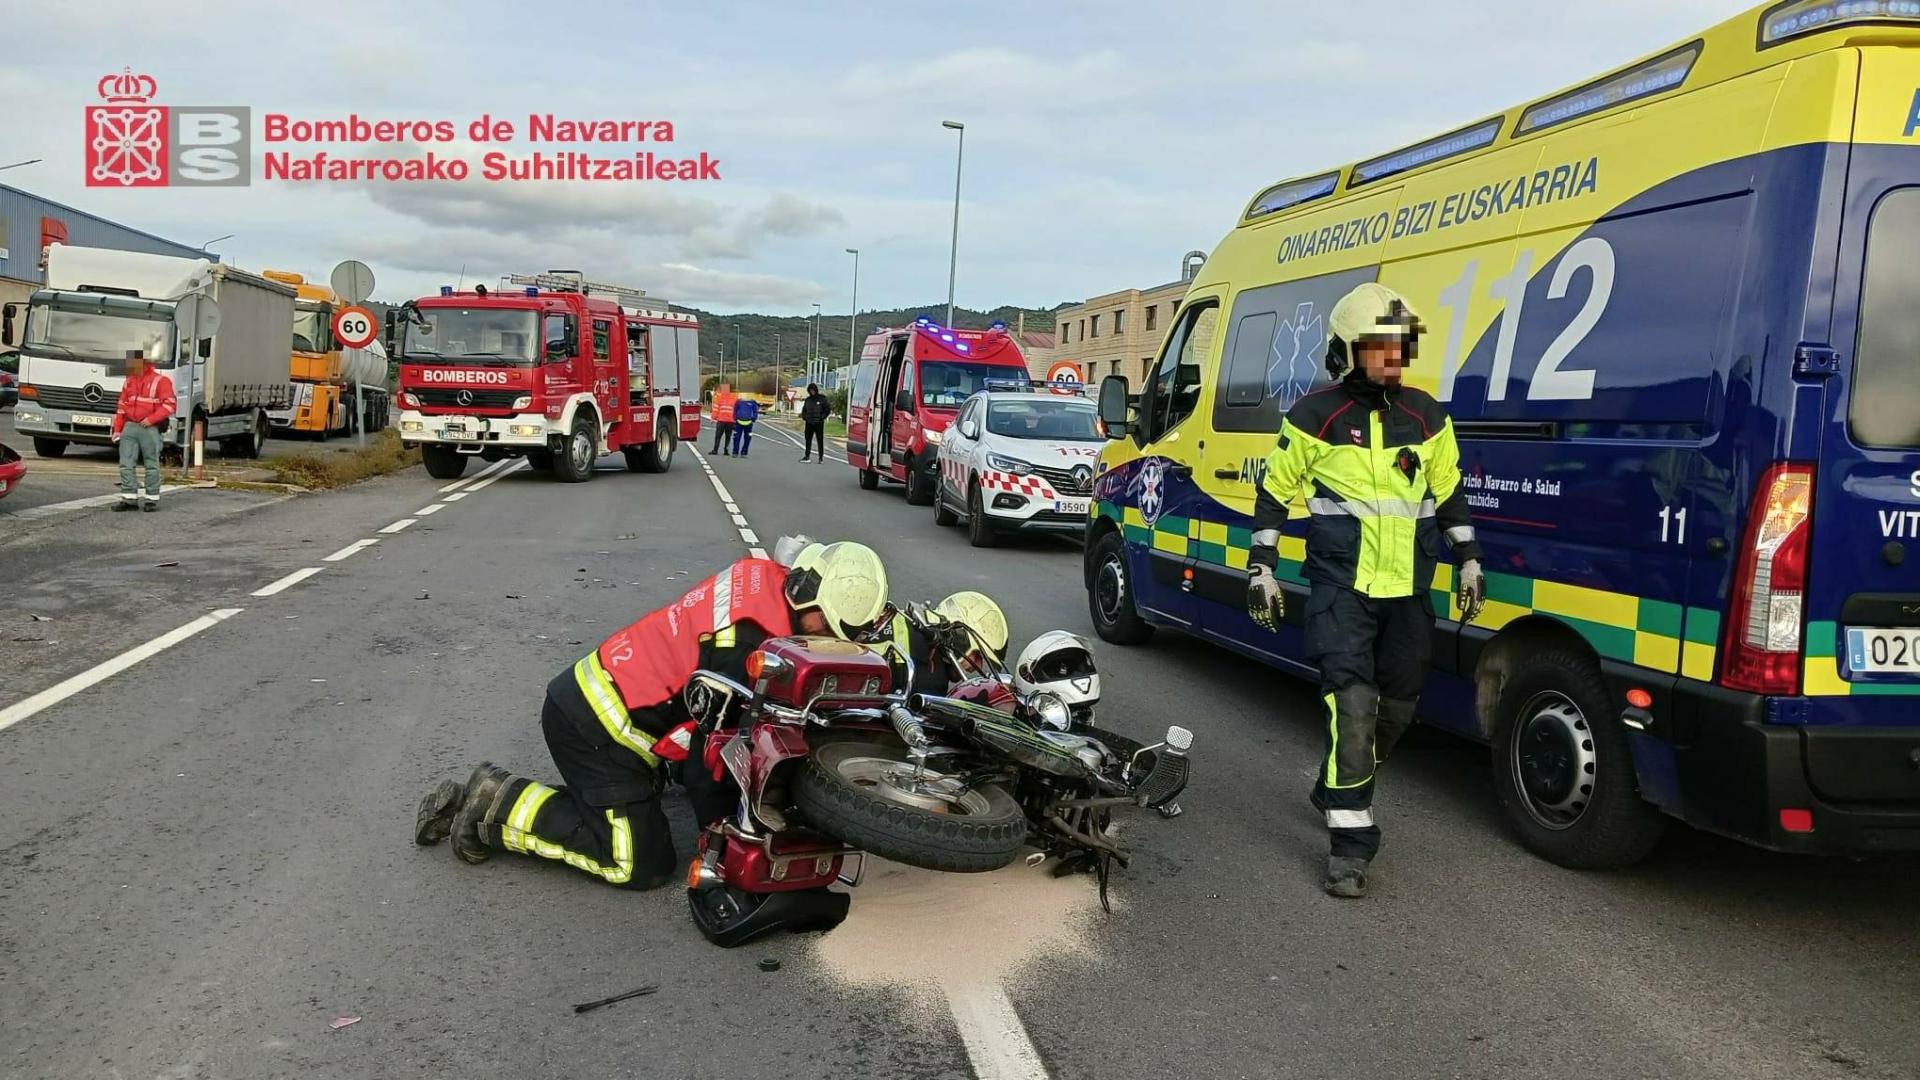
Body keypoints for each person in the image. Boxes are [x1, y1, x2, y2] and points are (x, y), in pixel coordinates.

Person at [415, 542, 889, 890]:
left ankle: (592, 800)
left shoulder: (768, 576)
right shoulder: (742, 649)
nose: (832, 640)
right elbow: (710, 770)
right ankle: (494, 802)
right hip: (598, 729)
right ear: (811, 603)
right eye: (830, 628)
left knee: (641, 802)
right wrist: (728, 845)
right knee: (639, 862)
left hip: (606, 694)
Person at [1245, 282, 1485, 899]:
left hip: (1408, 591)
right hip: (1341, 589)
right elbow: (1276, 493)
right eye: (1380, 347)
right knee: (1352, 709)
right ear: (1347, 350)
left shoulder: (1427, 417)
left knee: (1397, 711)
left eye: (1400, 346)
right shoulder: (1313, 416)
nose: (1393, 358)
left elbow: (1449, 493)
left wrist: (1468, 559)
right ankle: (1350, 848)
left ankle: (1336, 784)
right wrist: (1262, 566)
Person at [111, 348, 174, 512]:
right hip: (130, 426)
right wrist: (118, 429)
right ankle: (129, 498)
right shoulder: (129, 381)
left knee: (151, 463)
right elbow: (121, 408)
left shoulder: (161, 381)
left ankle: (151, 499)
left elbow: (170, 405)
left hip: (149, 427)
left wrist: (151, 419)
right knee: (126, 463)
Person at [799, 383, 831, 462]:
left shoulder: (822, 399)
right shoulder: (808, 400)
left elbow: (827, 409)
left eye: (813, 390)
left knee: (820, 440)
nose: (812, 392)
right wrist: (804, 417)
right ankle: (807, 456)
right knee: (808, 439)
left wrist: (822, 417)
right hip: (809, 423)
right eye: (810, 390)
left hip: (819, 423)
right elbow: (804, 410)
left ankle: (820, 457)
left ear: (815, 390)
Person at [710, 390, 735, 455]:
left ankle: (715, 450)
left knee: (718, 436)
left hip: (721, 420)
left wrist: (713, 418)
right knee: (728, 436)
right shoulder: (734, 397)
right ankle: (726, 451)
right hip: (730, 420)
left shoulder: (719, 397)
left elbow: (715, 409)